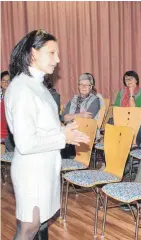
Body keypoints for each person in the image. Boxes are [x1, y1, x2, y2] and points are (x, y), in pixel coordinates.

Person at [5, 29, 89, 240]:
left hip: (44, 167)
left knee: (40, 226)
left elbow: (42, 128)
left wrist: (63, 131)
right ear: (34, 53)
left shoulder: (37, 85)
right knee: (29, 228)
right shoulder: (22, 89)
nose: (58, 59)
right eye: (52, 53)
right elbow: (25, 142)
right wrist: (63, 138)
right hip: (32, 171)